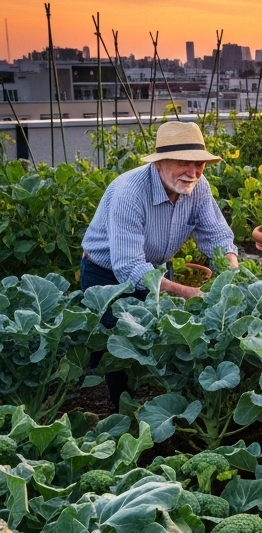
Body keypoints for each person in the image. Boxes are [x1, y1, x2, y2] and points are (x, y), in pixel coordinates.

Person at [81, 121, 239, 401]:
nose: (193, 172)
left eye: (199, 164)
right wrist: (187, 292)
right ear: (159, 163)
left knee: (160, 337)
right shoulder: (129, 193)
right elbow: (128, 267)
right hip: (105, 275)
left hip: (155, 268)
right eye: (183, 163)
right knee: (119, 346)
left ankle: (155, 400)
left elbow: (217, 237)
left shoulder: (198, 186)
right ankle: (118, 413)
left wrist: (231, 273)